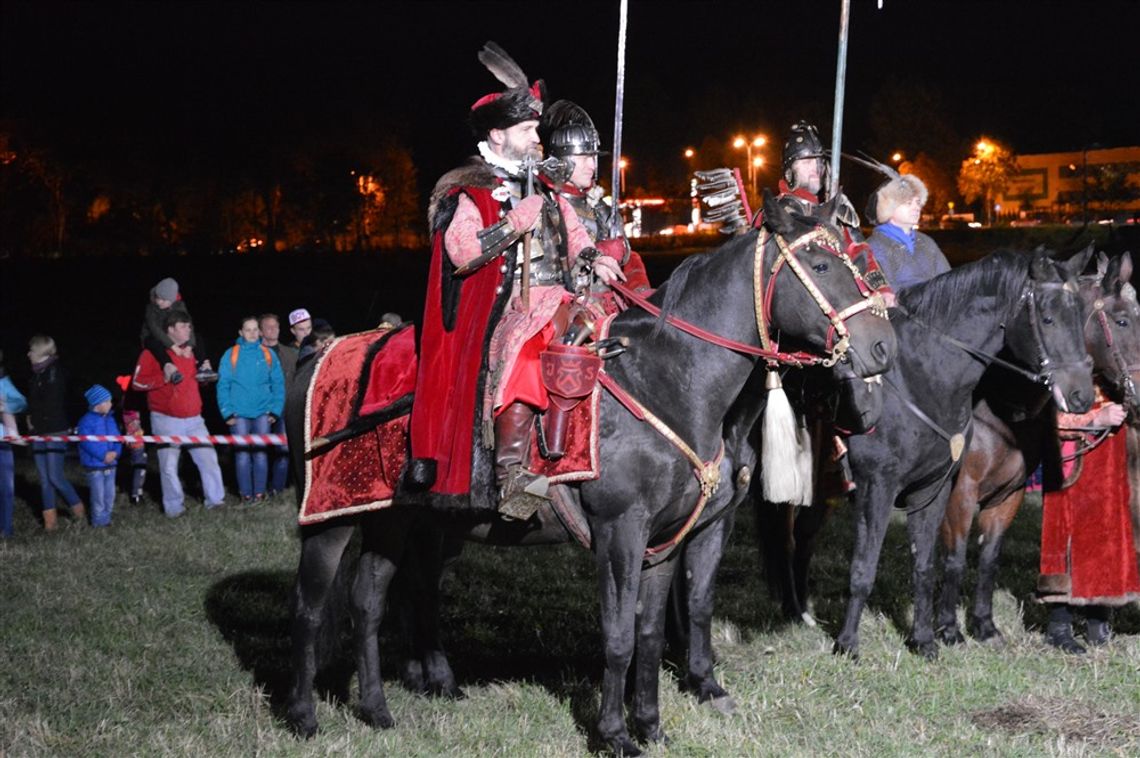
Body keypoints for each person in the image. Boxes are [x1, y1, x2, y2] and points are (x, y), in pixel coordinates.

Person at [408, 42, 623, 519]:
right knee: (530, 354)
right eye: (527, 130)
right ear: (498, 135)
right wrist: (511, 225)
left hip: (559, 296)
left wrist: (593, 257)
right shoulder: (469, 186)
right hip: (506, 308)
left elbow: (572, 233)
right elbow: (461, 253)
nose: (537, 139)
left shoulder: (543, 185)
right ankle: (512, 477)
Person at [1038, 391, 1140, 653]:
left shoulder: (1121, 367)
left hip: (1115, 462)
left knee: (1108, 535)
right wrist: (1096, 418)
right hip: (1073, 460)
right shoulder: (1064, 360)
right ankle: (1059, 625)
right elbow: (1049, 417)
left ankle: (1098, 621)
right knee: (1067, 536)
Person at [539, 99, 651, 297]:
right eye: (584, 158)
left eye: (593, 158)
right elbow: (547, 267)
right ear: (563, 161)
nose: (592, 166)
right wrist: (598, 252)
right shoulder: (545, 205)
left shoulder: (601, 209)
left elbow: (629, 258)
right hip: (565, 305)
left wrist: (640, 289)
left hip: (606, 300)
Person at [131, 311, 225, 517]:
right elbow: (136, 383)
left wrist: (205, 378)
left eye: (189, 326)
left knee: (208, 459)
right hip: (165, 419)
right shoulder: (154, 354)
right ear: (170, 330)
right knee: (168, 466)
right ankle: (175, 509)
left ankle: (216, 501)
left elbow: (197, 383)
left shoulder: (192, 352)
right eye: (183, 326)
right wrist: (163, 378)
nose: (188, 330)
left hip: (194, 419)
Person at [217, 316, 285, 504]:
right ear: (241, 333)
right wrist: (227, 412)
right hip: (238, 415)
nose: (253, 333)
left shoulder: (268, 354)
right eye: (248, 330)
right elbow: (223, 384)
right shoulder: (231, 354)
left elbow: (278, 384)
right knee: (242, 455)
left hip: (263, 413)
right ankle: (246, 494)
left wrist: (275, 410)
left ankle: (259, 494)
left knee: (261, 454)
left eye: (256, 329)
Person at [26, 335, 85, 530]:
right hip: (37, 432)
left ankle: (79, 511)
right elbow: (34, 403)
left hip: (55, 430)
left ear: (42, 353)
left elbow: (54, 403)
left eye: (32, 351)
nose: (28, 354)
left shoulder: (56, 373)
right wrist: (30, 418)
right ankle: (50, 523)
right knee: (44, 479)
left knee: (55, 477)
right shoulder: (35, 374)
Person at [865, 173, 951, 291]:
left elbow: (948, 282)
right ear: (889, 208)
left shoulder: (926, 242)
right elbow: (889, 296)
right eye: (908, 203)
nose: (916, 208)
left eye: (918, 202)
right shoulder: (874, 246)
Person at [140, 277, 217, 384]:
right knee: (153, 341)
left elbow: (189, 325)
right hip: (153, 336)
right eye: (158, 298)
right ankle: (169, 368)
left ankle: (203, 368)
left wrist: (189, 346)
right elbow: (154, 329)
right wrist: (173, 346)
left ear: (172, 300)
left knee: (197, 338)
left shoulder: (179, 306)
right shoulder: (151, 308)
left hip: (172, 335)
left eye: (164, 300)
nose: (160, 302)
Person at [259, 312, 295, 495]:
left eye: (276, 326)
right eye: (268, 327)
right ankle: (258, 488)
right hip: (261, 409)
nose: (273, 330)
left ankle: (277, 489)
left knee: (283, 449)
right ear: (260, 331)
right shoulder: (252, 353)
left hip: (283, 407)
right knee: (259, 449)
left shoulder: (289, 353)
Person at [76, 384, 121, 528]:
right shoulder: (85, 422)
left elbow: (117, 438)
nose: (110, 404)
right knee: (98, 496)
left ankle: (106, 518)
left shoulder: (111, 419)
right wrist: (102, 455)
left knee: (110, 495)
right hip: (95, 466)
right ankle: (98, 521)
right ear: (97, 404)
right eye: (107, 401)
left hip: (111, 464)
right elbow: (87, 443)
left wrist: (115, 452)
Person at [1, 350, 28, 538]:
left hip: (3, 442)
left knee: (6, 489)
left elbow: (21, 403)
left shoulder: (3, 382)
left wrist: (5, 406)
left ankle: (6, 529)